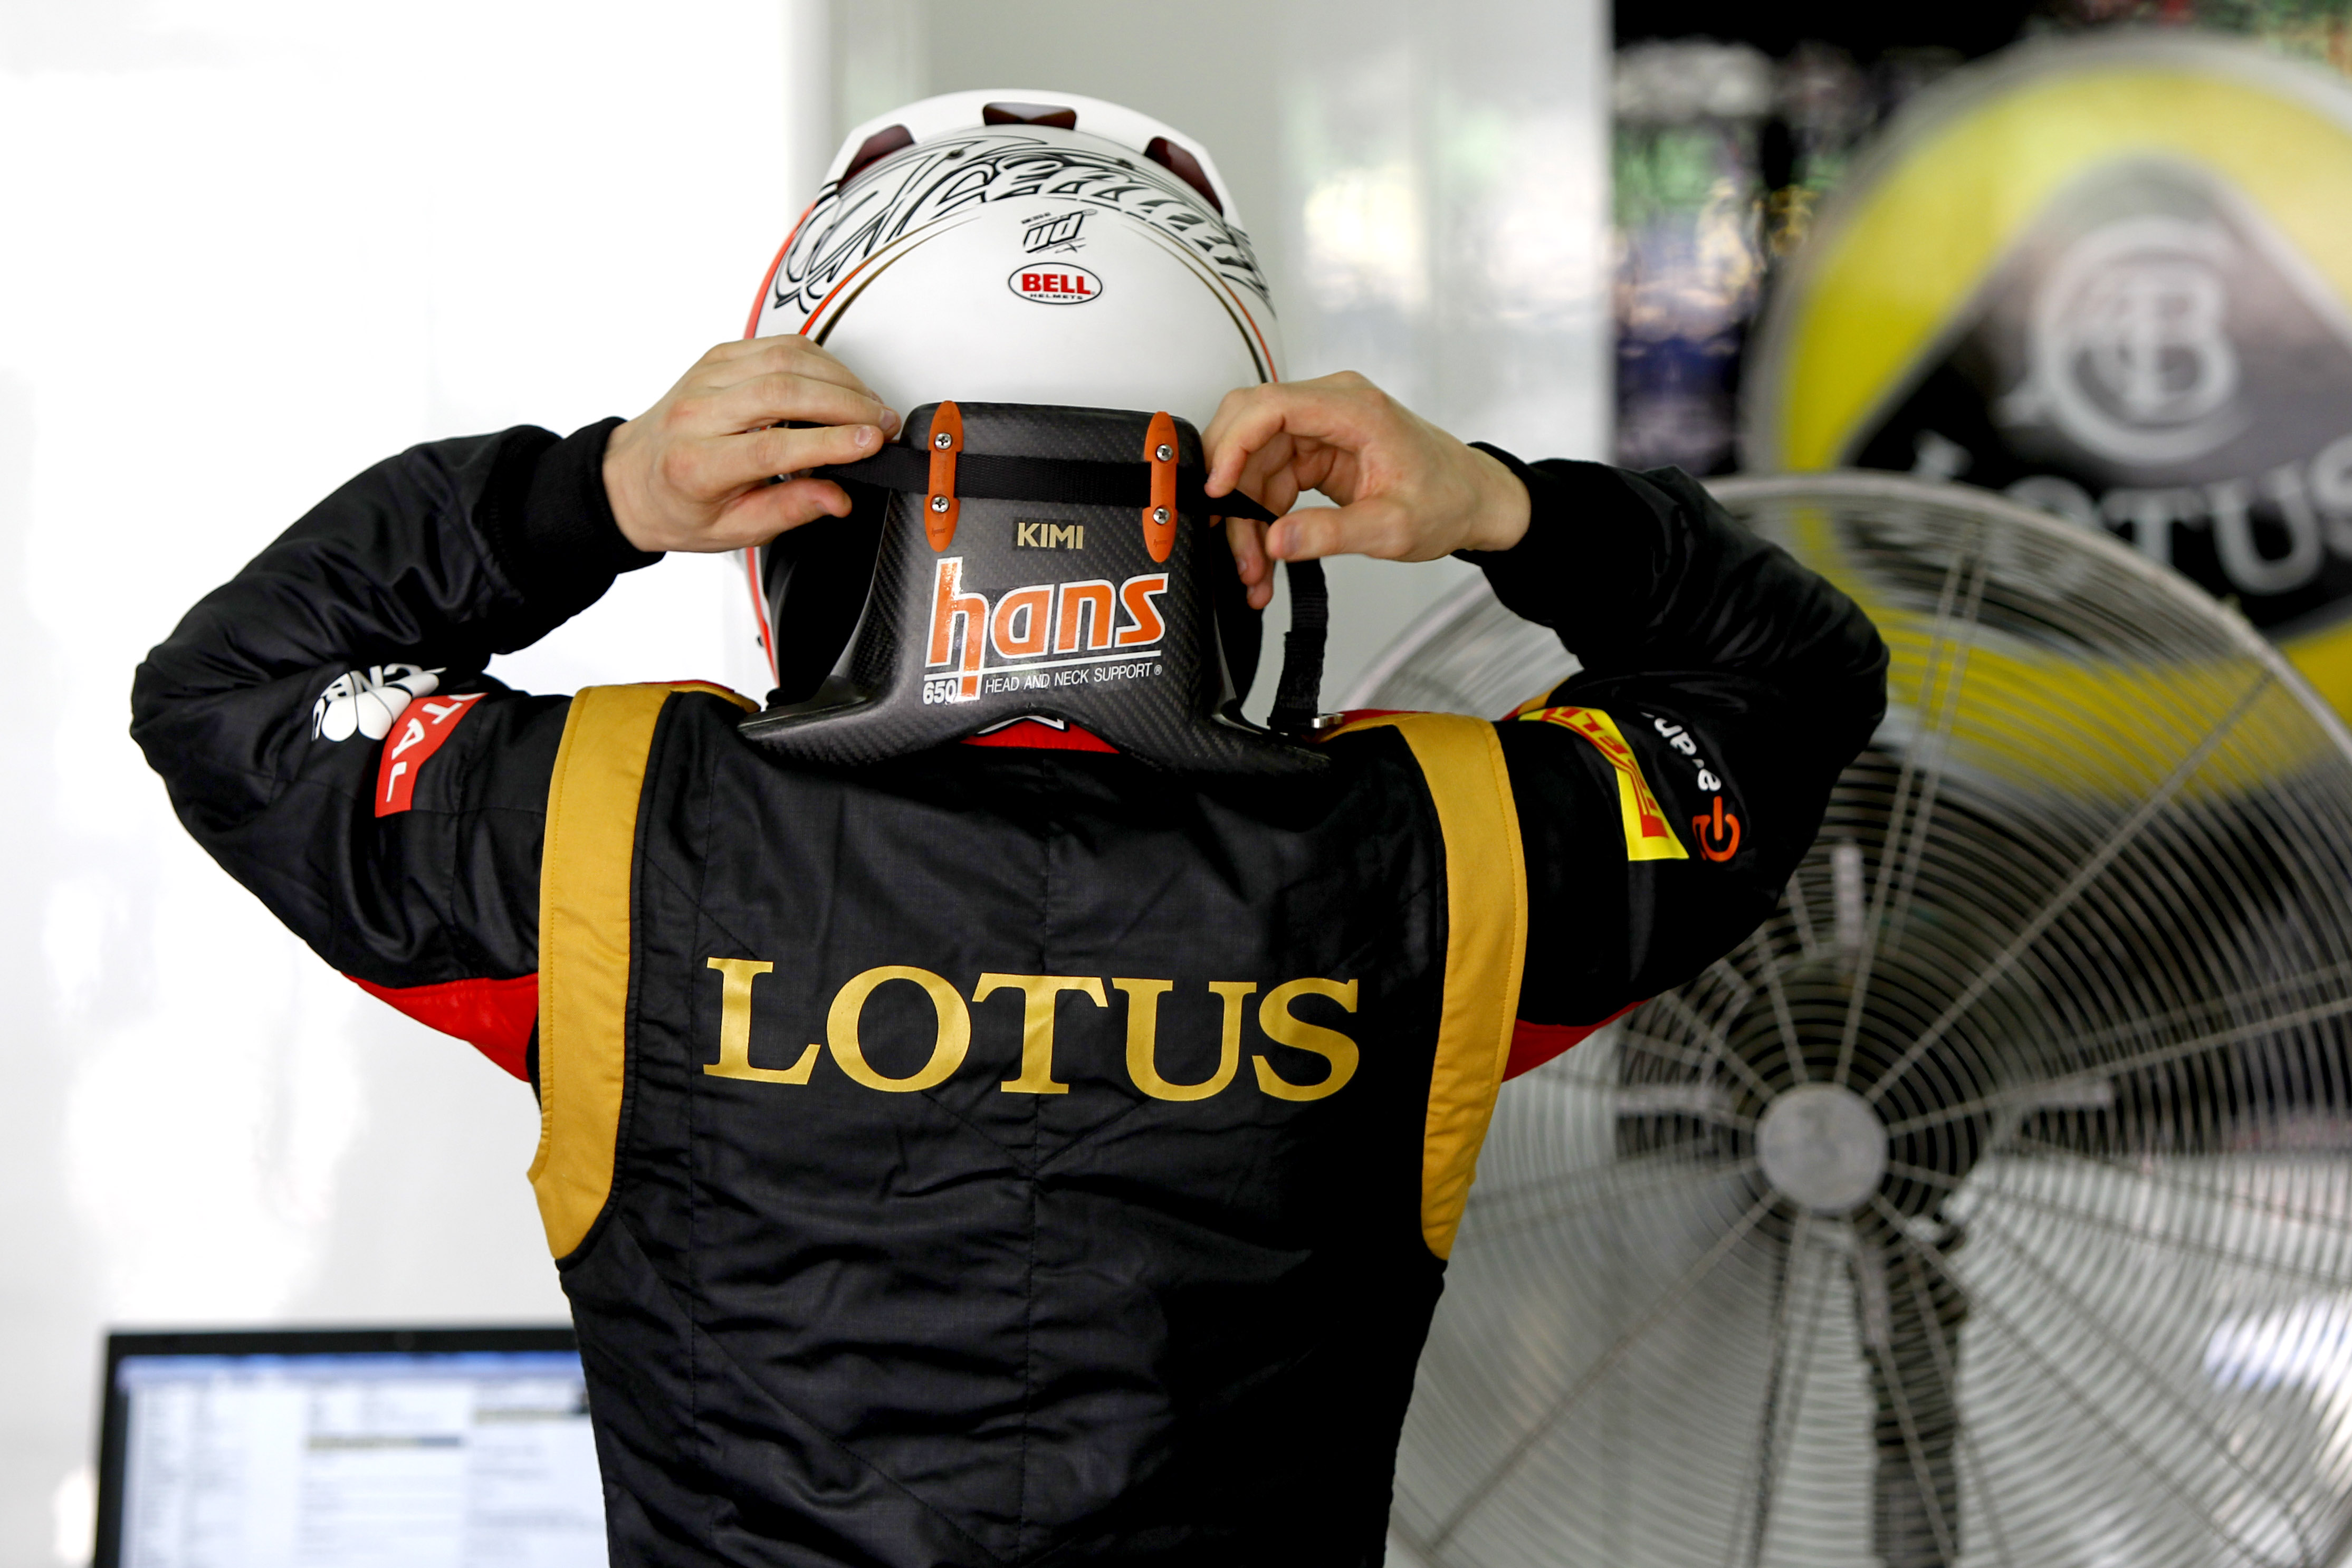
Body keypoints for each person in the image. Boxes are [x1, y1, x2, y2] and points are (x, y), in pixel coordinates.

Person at [132, 93, 1885, 1567]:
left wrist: (593, 493)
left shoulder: (599, 837)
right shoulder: (1441, 854)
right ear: (1235, 511)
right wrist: (1504, 507)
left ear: (798, 511)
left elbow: (236, 688)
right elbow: (1789, 677)